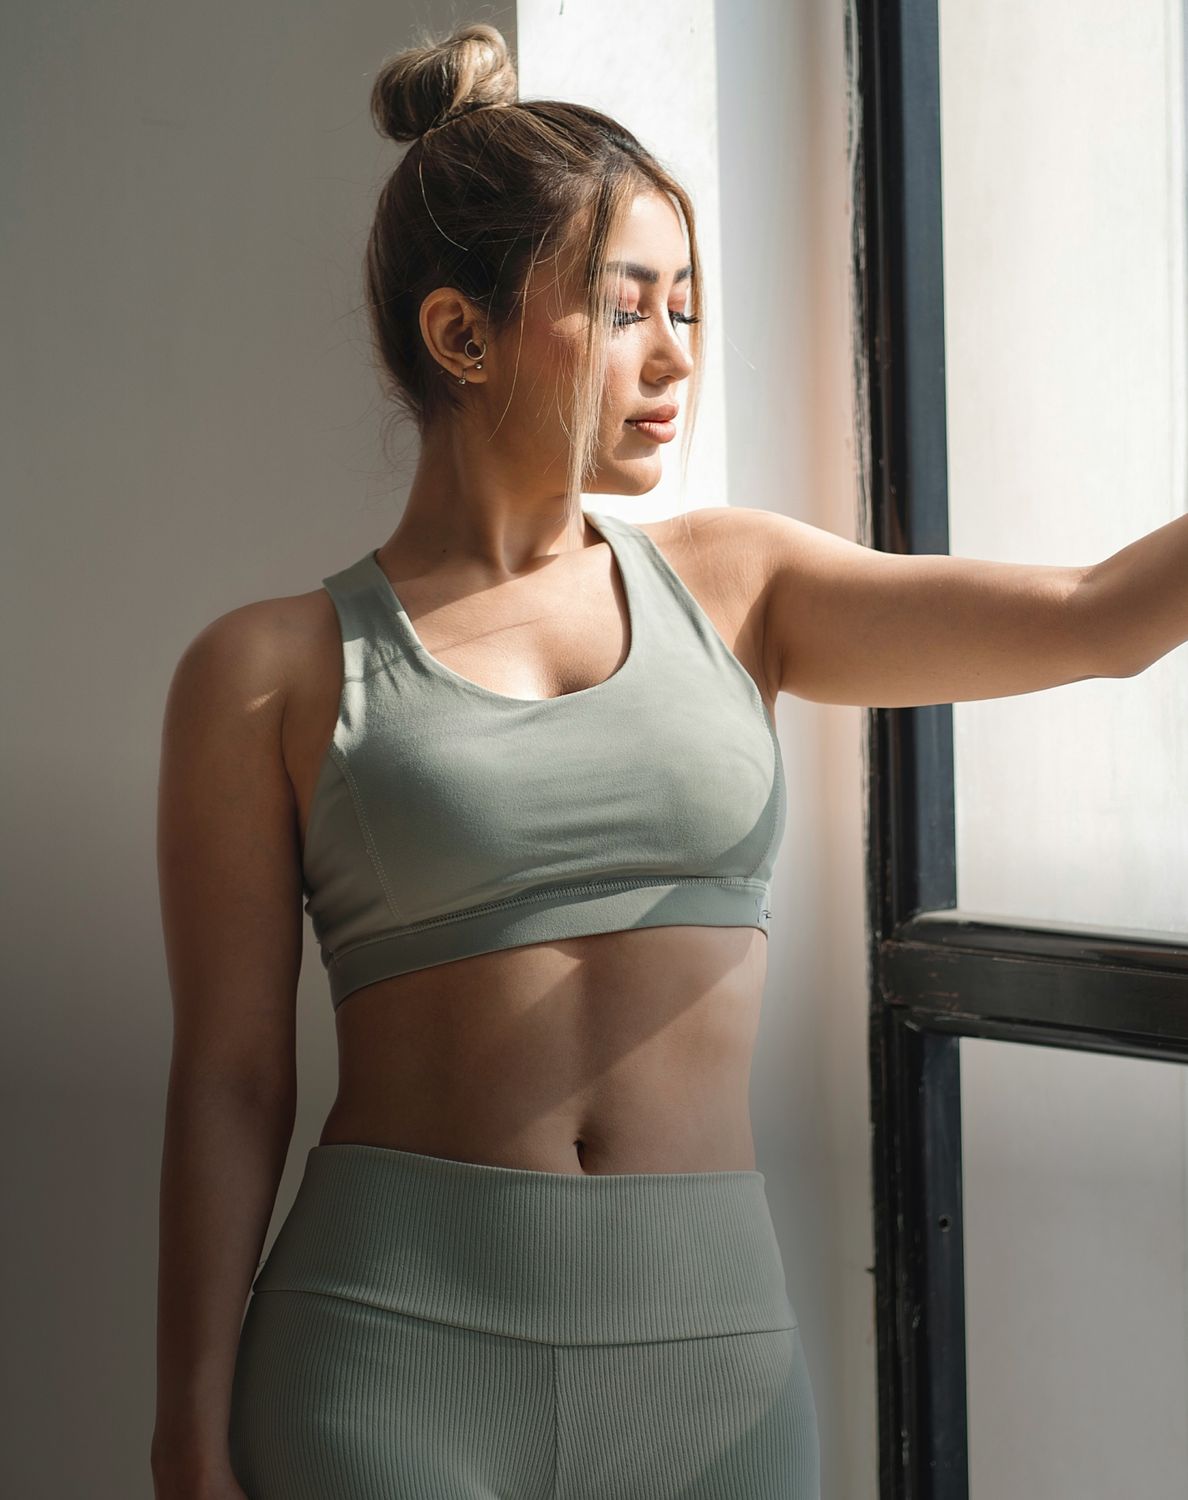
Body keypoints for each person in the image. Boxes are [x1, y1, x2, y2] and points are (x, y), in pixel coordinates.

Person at [151, 20, 1181, 1500]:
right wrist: (187, 1439)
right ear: (463, 335)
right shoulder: (266, 672)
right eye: (627, 308)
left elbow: (1103, 622)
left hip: (710, 1370)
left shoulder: (742, 587)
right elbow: (233, 1080)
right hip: (387, 1353)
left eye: (687, 305)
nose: (678, 353)